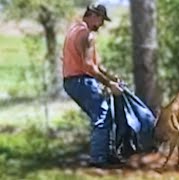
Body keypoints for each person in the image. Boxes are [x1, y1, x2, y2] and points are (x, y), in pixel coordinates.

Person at [62, 4, 124, 168]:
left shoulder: (74, 30)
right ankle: (98, 159)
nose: (101, 24)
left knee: (104, 114)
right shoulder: (87, 35)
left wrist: (111, 76)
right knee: (102, 116)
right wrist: (109, 84)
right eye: (101, 19)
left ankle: (108, 154)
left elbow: (95, 64)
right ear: (94, 15)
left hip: (71, 81)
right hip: (81, 81)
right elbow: (89, 66)